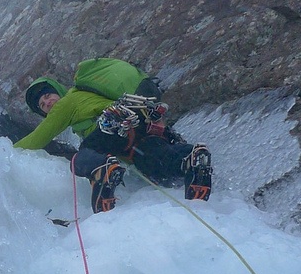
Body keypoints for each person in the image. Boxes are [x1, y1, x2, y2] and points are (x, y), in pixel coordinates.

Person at [14, 59, 212, 213]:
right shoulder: (87, 96)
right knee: (152, 161)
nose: (47, 103)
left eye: (48, 96)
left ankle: (103, 171)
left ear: (58, 92)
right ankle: (190, 158)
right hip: (136, 131)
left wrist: (2, 149)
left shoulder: (69, 101)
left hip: (113, 126)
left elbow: (38, 138)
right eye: (42, 105)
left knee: (82, 157)